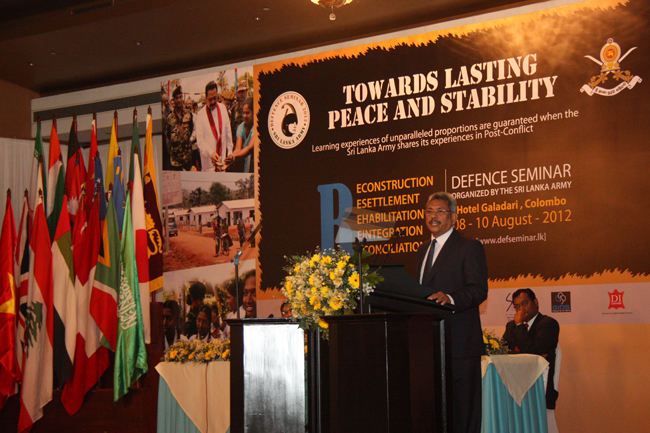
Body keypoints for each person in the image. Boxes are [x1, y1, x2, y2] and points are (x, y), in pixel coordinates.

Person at [415, 191, 488, 433]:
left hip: (460, 345)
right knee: (437, 413)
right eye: (429, 211)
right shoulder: (423, 249)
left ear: (454, 217)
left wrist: (451, 298)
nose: (433, 216)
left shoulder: (469, 246)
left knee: (463, 413)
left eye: (440, 211)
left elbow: (478, 289)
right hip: (430, 345)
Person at [502, 288, 560, 409]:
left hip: (539, 387)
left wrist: (519, 325)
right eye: (517, 306)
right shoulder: (511, 326)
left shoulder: (548, 324)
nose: (521, 309)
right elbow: (504, 353)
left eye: (525, 303)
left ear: (536, 302)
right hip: (514, 385)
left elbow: (532, 352)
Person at [194, 81, 233, 172]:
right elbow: (200, 141)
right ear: (205, 98)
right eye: (210, 99)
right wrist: (211, 153)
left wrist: (230, 152)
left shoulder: (223, 109)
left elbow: (228, 133)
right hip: (208, 166)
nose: (213, 102)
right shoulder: (200, 115)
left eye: (215, 98)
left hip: (222, 164)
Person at [165, 86, 195, 170]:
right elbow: (168, 135)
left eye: (180, 97)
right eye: (177, 98)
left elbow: (191, 129)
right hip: (175, 160)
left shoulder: (188, 114)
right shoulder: (170, 117)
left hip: (187, 157)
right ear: (173, 100)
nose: (179, 100)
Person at [230, 97, 255, 173]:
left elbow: (250, 148)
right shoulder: (241, 127)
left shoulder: (257, 127)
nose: (245, 116)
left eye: (248, 113)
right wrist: (229, 159)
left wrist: (233, 157)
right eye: (243, 113)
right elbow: (238, 149)